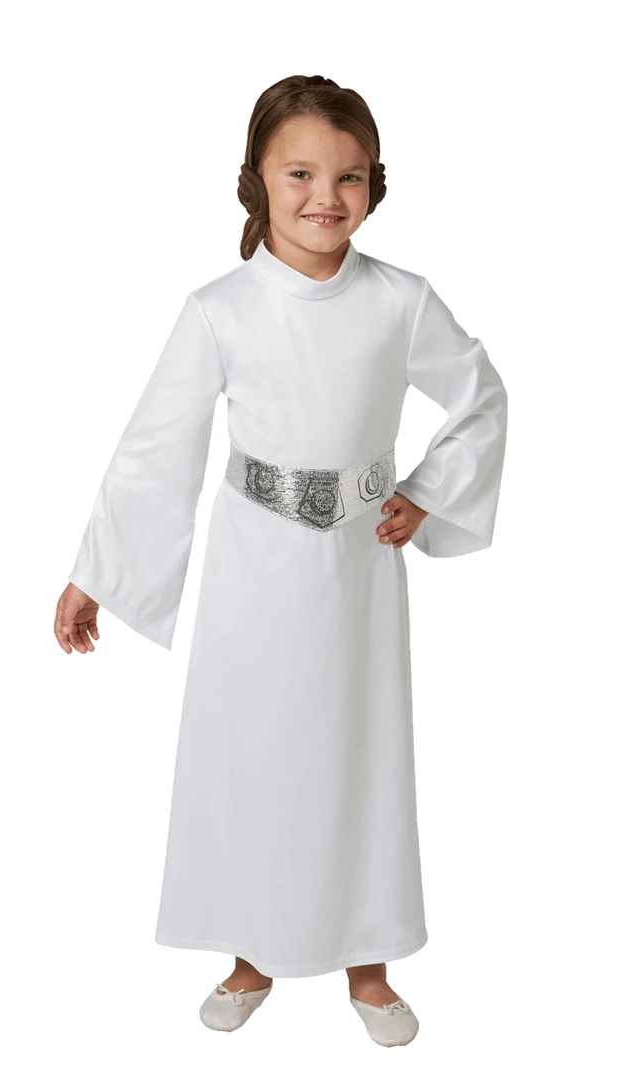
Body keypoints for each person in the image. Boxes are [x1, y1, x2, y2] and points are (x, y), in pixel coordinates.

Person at [54, 74, 508, 1048]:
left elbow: (480, 396)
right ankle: (252, 952)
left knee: (359, 748)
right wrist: (97, 570)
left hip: (358, 571)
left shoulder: (400, 300)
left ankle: (369, 961)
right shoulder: (221, 309)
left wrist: (427, 490)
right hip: (252, 572)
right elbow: (156, 444)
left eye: (349, 177)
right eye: (299, 173)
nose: (324, 197)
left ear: (374, 185)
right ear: (255, 180)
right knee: (254, 749)